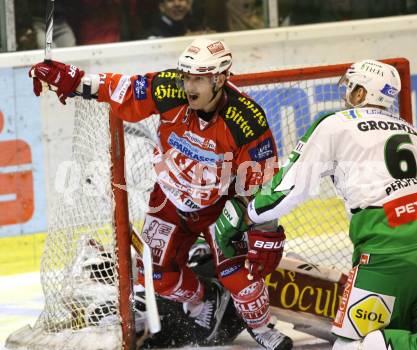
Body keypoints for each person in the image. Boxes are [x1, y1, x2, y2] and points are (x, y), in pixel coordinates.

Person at [29, 38, 293, 350]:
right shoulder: (169, 89)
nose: (188, 85)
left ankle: (262, 328)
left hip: (218, 207)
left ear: (220, 79)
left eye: (198, 79)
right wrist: (72, 80)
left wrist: (265, 229)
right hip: (168, 198)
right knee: (154, 275)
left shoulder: (246, 119)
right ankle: (203, 301)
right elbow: (121, 88)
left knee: (240, 276)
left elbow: (262, 182)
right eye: (186, 76)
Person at [215, 59, 417, 349]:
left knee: (349, 346)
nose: (346, 95)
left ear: (362, 94)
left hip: (388, 247)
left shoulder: (336, 123)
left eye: (351, 88)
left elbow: (288, 189)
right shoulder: (415, 134)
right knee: (395, 335)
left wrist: (247, 214)